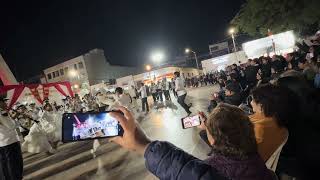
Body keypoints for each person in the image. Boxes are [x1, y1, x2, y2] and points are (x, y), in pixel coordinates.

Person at [109, 106, 273, 180]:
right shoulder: (254, 156)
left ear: (213, 139)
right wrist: (206, 130)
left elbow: (188, 171)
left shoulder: (213, 167)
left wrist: (143, 145)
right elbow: (226, 145)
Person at [249, 84, 293, 162]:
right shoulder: (279, 117)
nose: (251, 103)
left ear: (261, 106)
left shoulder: (259, 127)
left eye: (252, 100)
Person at [0, 97, 23, 180]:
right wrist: (14, 119)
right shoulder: (2, 113)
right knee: (14, 164)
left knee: (6, 165)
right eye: (4, 102)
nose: (6, 104)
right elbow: (11, 126)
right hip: (10, 141)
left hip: (3, 142)